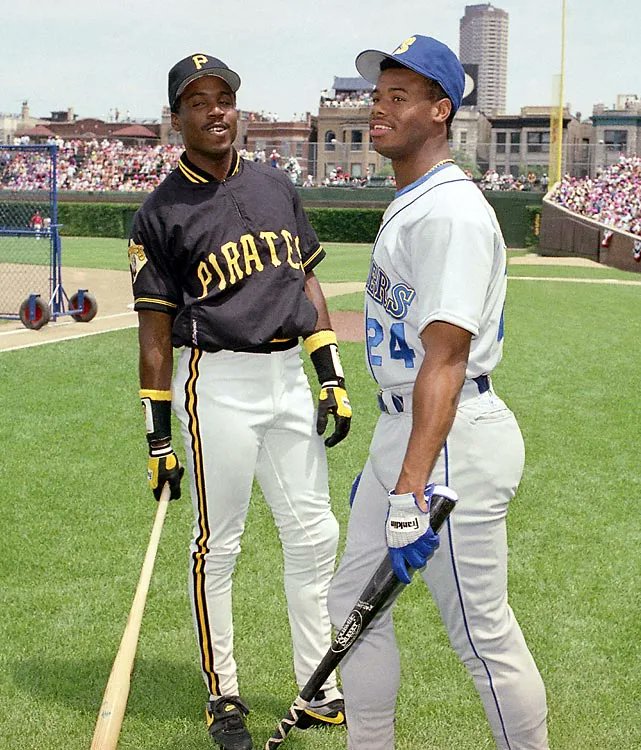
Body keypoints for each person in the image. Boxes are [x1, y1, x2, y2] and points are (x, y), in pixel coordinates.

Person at [327, 34, 549, 750]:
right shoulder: (416, 199)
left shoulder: (449, 211)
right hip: (413, 431)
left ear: (439, 109)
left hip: (450, 440)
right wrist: (392, 460)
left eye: (398, 97)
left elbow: (446, 358)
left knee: (480, 633)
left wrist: (408, 484)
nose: (378, 109)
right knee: (351, 605)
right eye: (376, 95)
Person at [128, 52, 352, 750]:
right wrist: (157, 438)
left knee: (313, 535)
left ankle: (317, 686)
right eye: (197, 101)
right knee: (216, 546)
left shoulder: (276, 186)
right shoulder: (159, 212)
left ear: (237, 107)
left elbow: (306, 289)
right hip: (215, 381)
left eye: (223, 97)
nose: (215, 110)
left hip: (288, 375)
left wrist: (331, 374)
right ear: (177, 119)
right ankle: (222, 693)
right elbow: (155, 333)